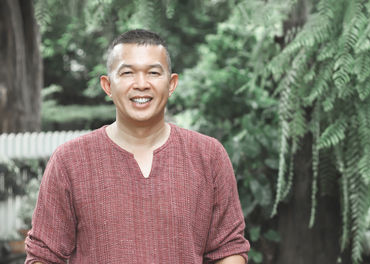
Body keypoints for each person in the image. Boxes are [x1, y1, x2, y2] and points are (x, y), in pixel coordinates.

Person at [25, 29, 250, 264]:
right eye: (128, 73)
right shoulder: (70, 160)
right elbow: (43, 255)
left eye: (153, 72)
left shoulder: (208, 156)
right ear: (107, 85)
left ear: (171, 83)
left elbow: (229, 248)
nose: (141, 84)